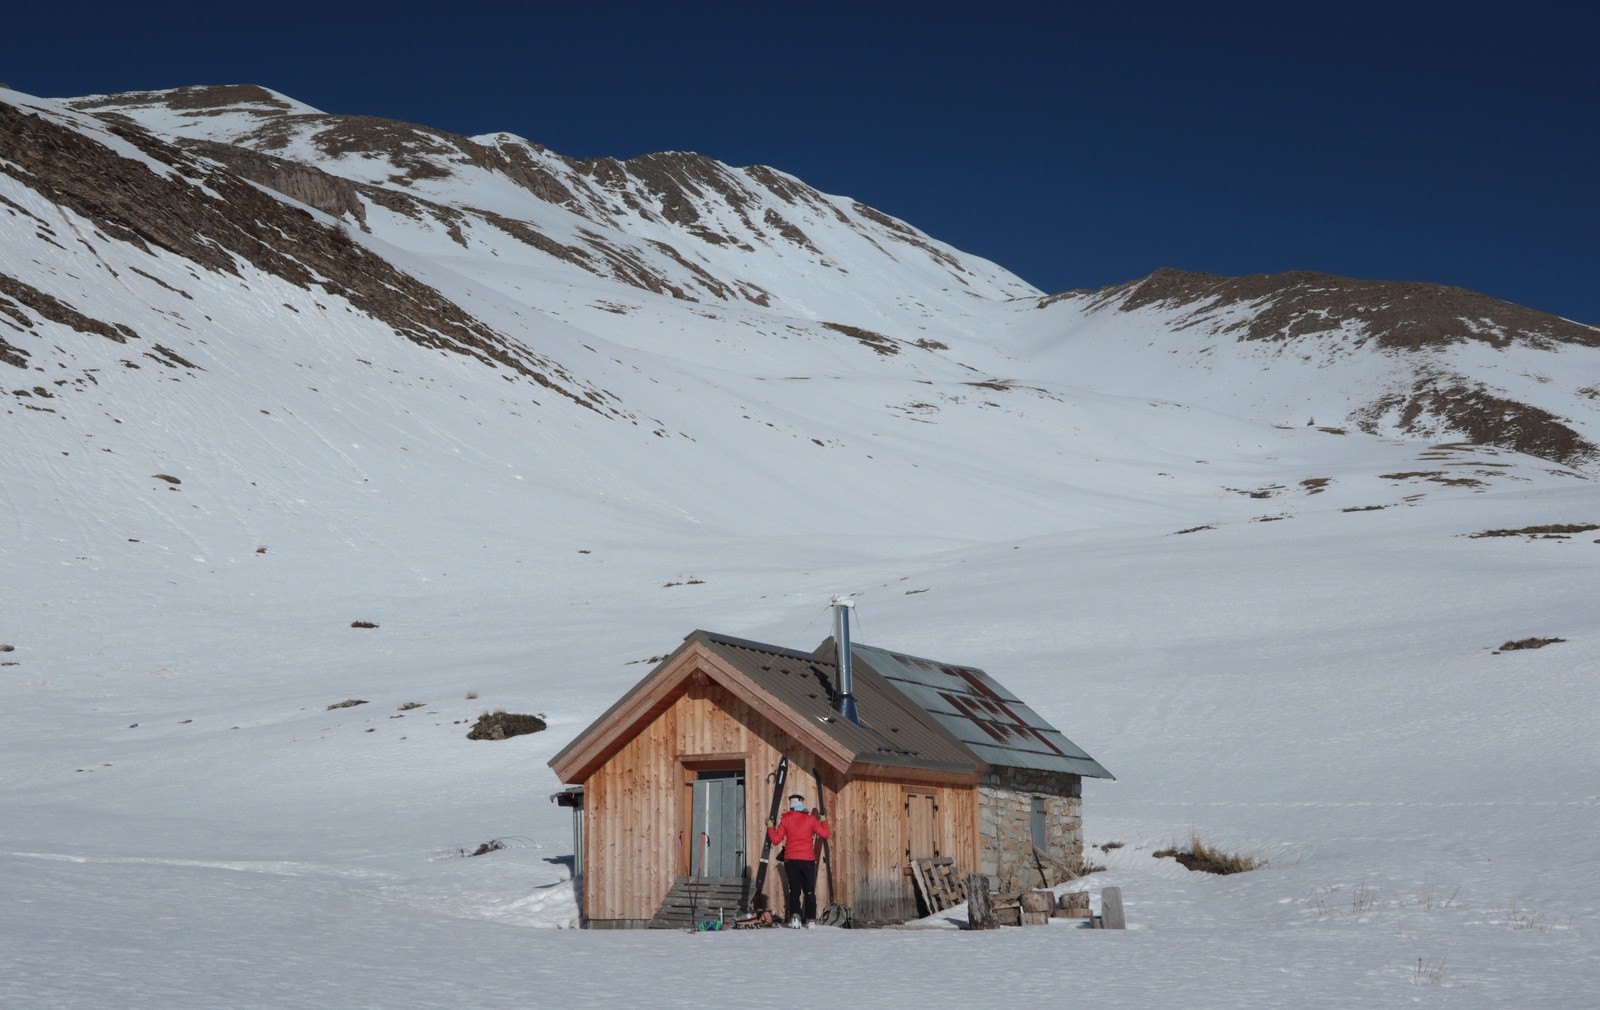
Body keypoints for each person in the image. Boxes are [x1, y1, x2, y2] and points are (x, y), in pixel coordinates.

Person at [767, 792, 830, 928]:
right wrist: (824, 820)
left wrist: (770, 826)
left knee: (794, 890)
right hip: (808, 859)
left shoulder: (786, 819)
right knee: (809, 891)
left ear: (791, 804)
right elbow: (825, 834)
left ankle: (795, 917)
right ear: (802, 803)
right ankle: (811, 920)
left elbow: (776, 840)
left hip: (791, 860)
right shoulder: (811, 820)